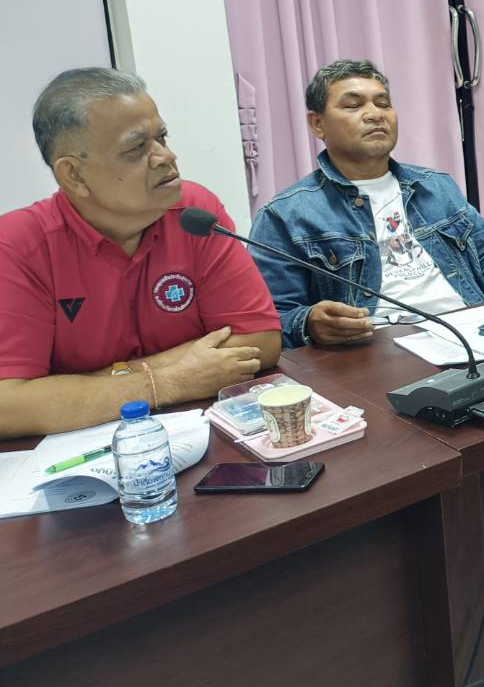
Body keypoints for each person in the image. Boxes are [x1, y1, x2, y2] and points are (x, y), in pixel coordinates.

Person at [0, 68, 282, 438]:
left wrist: (91, 386)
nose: (166, 156)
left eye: (161, 137)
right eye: (136, 148)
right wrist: (164, 383)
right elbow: (9, 404)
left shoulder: (194, 212)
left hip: (204, 435)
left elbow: (260, 340)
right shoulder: (18, 244)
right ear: (74, 175)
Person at [250, 60, 484, 349]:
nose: (374, 114)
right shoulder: (285, 215)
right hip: (375, 353)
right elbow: (270, 322)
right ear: (317, 123)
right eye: (353, 105)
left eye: (383, 103)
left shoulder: (436, 186)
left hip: (472, 334)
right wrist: (308, 323)